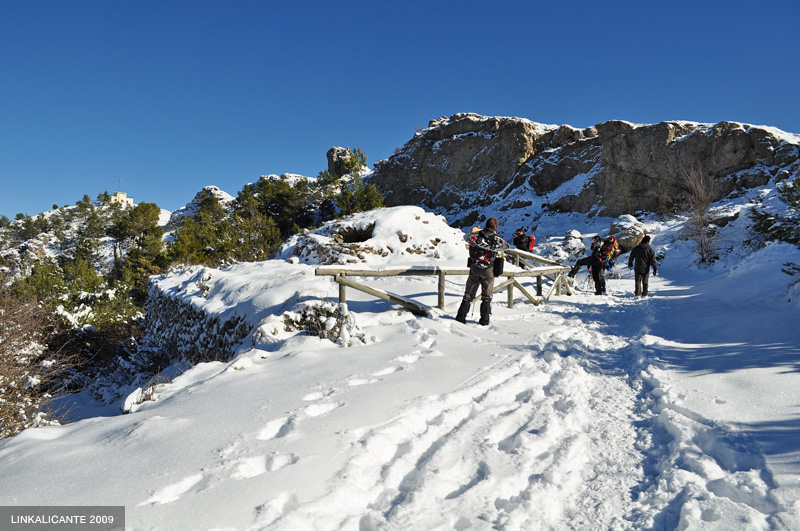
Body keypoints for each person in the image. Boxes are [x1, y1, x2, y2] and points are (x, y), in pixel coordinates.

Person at [455, 218, 507, 325]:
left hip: (475, 267)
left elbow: (470, 248)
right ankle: (484, 320)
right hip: (488, 269)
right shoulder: (497, 238)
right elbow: (500, 254)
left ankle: (461, 317)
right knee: (487, 296)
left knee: (468, 294)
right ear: (496, 228)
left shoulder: (476, 236)